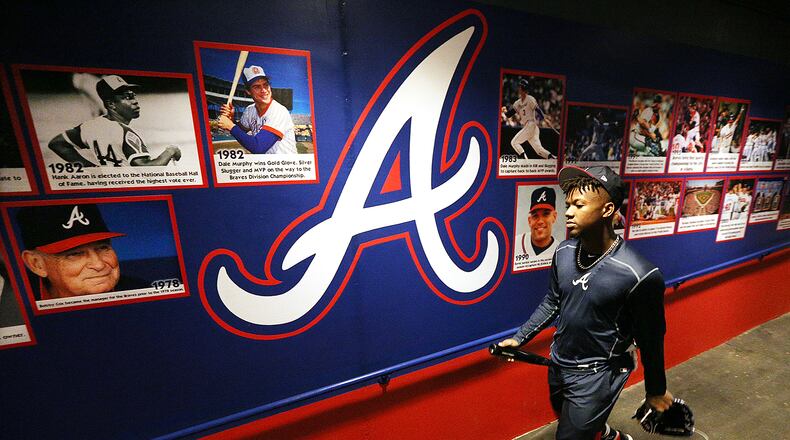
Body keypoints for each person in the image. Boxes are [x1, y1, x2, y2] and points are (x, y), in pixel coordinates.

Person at [499, 165, 673, 440]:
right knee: (571, 423)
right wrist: (520, 338)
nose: (568, 212)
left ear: (607, 210)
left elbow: (652, 339)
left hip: (597, 375)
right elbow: (552, 301)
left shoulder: (640, 274)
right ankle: (605, 435)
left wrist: (656, 389)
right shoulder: (564, 252)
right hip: (558, 365)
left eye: (579, 205)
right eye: (568, 204)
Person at [17, 204, 146, 300]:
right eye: (75, 254)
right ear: (37, 264)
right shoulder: (15, 306)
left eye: (103, 248)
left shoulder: (144, 292)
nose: (99, 265)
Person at [48, 75, 182, 167]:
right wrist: (171, 151)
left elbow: (57, 143)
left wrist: (91, 169)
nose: (134, 101)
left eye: (133, 95)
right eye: (127, 97)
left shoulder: (89, 127)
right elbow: (149, 169)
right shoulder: (125, 133)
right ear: (111, 104)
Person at [217, 65, 297, 154]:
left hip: (285, 165)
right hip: (264, 165)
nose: (264, 90)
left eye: (266, 85)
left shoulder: (279, 111)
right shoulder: (249, 110)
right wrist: (231, 120)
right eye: (257, 87)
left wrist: (230, 126)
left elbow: (258, 147)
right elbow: (241, 130)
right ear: (248, 91)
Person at [501, 79, 557, 160]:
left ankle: (525, 160)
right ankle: (553, 158)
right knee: (539, 150)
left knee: (514, 142)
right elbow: (509, 115)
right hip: (531, 127)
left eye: (520, 87)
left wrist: (545, 119)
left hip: (531, 125)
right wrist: (505, 110)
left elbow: (538, 109)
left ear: (522, 88)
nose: (518, 89)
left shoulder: (530, 99)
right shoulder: (517, 103)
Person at [516, 186, 560, 261]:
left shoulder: (559, 250)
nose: (540, 221)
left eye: (546, 214)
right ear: (529, 220)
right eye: (535, 216)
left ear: (554, 217)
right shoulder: (516, 243)